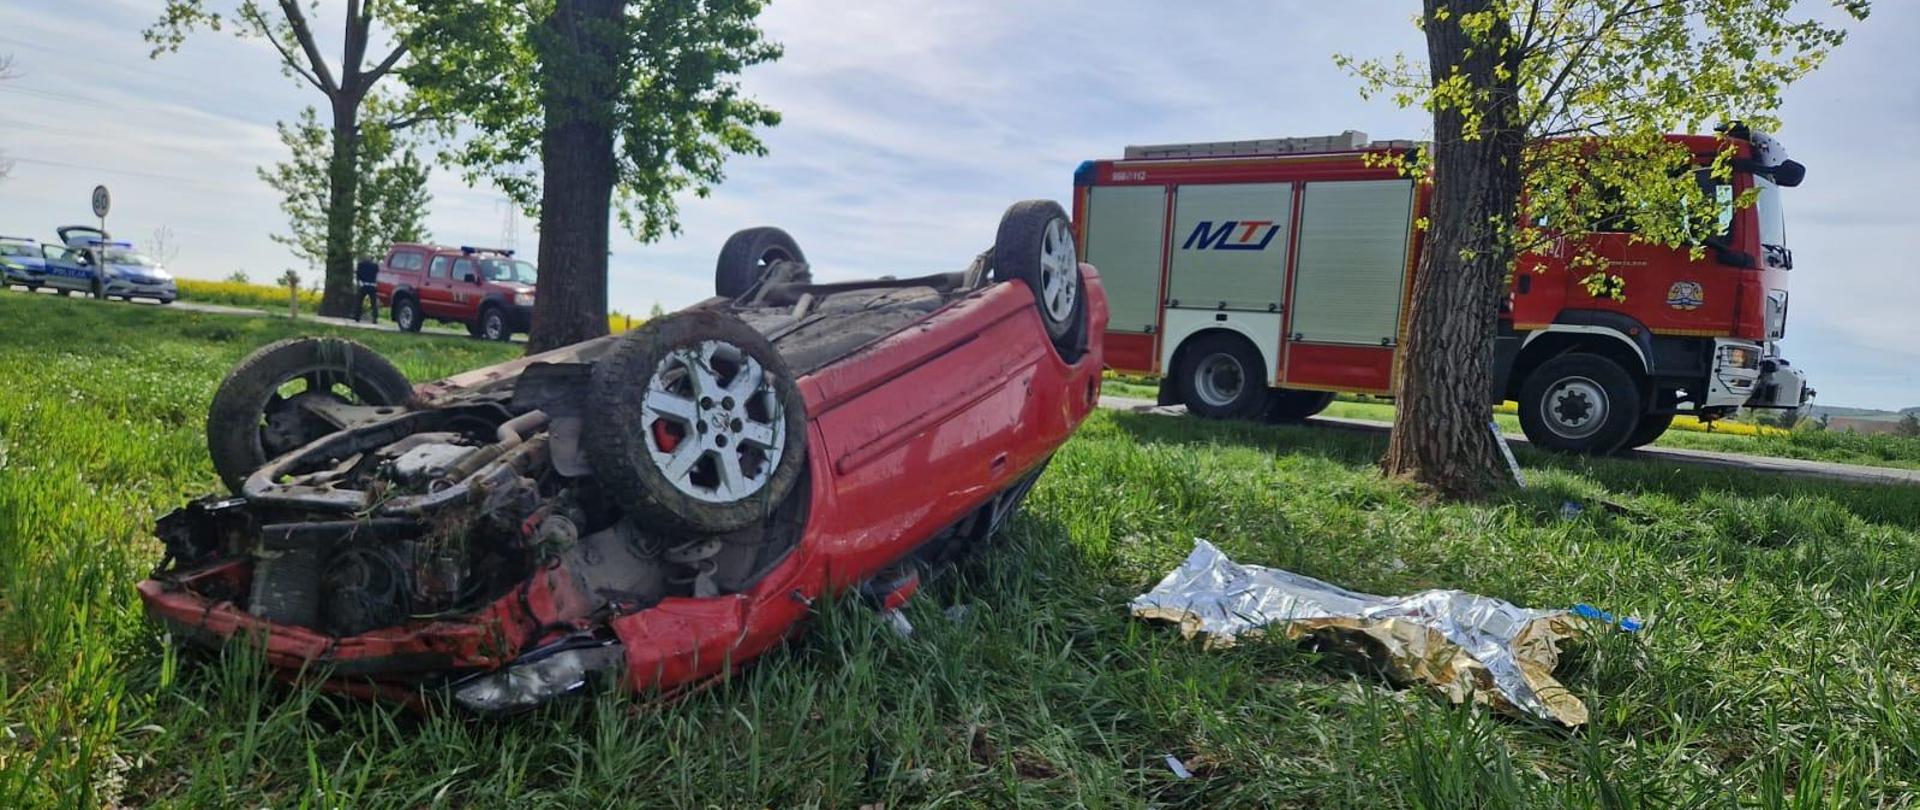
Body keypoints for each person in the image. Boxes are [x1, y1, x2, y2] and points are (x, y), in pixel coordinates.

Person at [354, 258, 380, 323]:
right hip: (372, 285)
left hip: (363, 284)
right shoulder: (375, 266)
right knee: (373, 303)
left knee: (359, 301)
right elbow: (377, 274)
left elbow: (358, 274)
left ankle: (357, 317)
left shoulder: (361, 265)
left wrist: (359, 282)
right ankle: (375, 318)